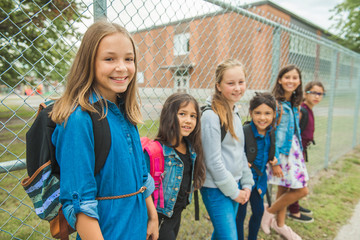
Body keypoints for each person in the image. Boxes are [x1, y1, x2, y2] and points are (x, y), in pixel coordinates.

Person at [49, 20, 158, 240]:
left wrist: (153, 217)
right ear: (89, 63)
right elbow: (80, 204)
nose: (122, 67)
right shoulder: (79, 120)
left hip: (136, 229)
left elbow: (141, 175)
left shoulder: (125, 113)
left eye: (129, 59)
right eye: (109, 59)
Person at [200, 59, 254, 240]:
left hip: (235, 184)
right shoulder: (211, 116)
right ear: (219, 86)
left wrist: (246, 183)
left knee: (221, 236)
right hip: (215, 188)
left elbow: (240, 153)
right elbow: (213, 162)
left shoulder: (234, 112)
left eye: (241, 82)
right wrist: (234, 192)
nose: (237, 88)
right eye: (231, 83)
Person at [144, 93, 206, 240]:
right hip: (159, 218)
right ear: (169, 115)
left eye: (193, 116)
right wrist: (152, 218)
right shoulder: (156, 151)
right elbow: (143, 186)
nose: (188, 120)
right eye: (182, 114)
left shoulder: (191, 148)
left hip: (176, 215)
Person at [261, 64, 308, 240]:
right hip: (281, 155)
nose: (291, 81)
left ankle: (280, 225)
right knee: (302, 190)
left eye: (295, 78)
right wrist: (274, 161)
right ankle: (269, 212)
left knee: (284, 189)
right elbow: (270, 134)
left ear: (299, 81)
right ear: (280, 80)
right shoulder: (276, 104)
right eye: (287, 77)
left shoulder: (294, 104)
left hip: (293, 152)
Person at [236, 92, 279, 240]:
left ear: (274, 114)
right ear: (251, 113)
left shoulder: (271, 133)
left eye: (267, 113)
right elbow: (235, 152)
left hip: (260, 181)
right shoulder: (244, 132)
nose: (262, 117)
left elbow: (273, 150)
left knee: (259, 211)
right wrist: (242, 162)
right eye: (258, 113)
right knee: (239, 215)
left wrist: (275, 161)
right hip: (243, 182)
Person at [287, 81, 326, 223]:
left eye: (320, 94)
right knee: (297, 183)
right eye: (313, 92)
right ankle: (294, 211)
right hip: (296, 152)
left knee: (298, 181)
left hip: (302, 151)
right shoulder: (302, 110)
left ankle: (293, 205)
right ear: (306, 93)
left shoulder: (309, 109)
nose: (317, 96)